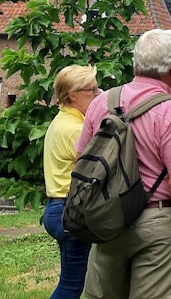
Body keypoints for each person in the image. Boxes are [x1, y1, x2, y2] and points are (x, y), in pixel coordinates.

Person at [75, 29, 171, 299]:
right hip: (158, 218)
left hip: (107, 216)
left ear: (136, 62)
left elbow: (81, 162)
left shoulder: (101, 102)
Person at [41, 64, 100, 299]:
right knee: (72, 285)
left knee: (74, 281)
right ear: (73, 95)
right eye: (93, 91)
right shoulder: (75, 129)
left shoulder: (62, 121)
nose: (98, 95)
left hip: (59, 208)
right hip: (71, 210)